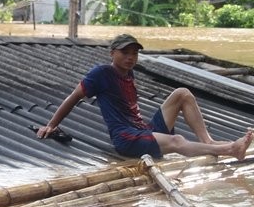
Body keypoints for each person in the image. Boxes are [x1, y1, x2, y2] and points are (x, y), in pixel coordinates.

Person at [36, 34, 253, 160]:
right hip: (127, 139)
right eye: (125, 53)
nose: (131, 58)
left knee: (182, 93)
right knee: (177, 140)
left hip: (143, 130)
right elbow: (74, 97)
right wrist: (51, 125)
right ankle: (230, 149)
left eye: (134, 54)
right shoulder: (100, 74)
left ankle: (209, 142)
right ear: (112, 53)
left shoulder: (129, 73)